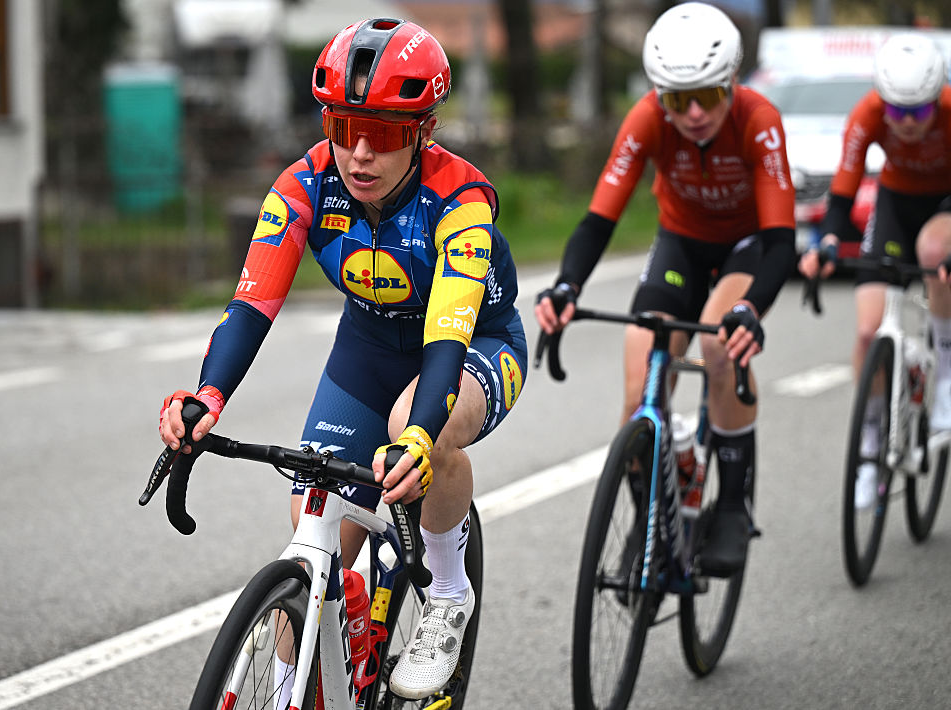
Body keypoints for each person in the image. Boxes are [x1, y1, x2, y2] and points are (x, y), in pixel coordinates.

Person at [158, 18, 527, 702]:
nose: (359, 153)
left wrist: (417, 433)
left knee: (417, 427)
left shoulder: (460, 202)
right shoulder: (304, 185)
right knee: (314, 543)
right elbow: (249, 307)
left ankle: (447, 590)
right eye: (341, 126)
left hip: (475, 346)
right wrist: (207, 396)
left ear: (424, 130)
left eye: (383, 133)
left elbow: (448, 336)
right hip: (366, 353)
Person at [534, 1, 796, 576]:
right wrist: (566, 285)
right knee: (638, 394)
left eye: (708, 96)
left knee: (718, 347)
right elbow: (599, 219)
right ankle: (651, 524)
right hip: (680, 245)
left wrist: (753, 307)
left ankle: (731, 505)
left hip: (747, 247)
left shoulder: (759, 120)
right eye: (679, 100)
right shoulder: (646, 118)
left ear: (731, 83)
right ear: (660, 96)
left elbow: (781, 241)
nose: (695, 113)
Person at [799, 32, 951, 510]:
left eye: (920, 112)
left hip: (944, 205)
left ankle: (946, 378)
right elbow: (843, 192)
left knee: (932, 252)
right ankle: (870, 439)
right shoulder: (866, 114)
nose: (907, 123)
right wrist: (826, 242)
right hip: (894, 204)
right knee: (868, 332)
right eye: (897, 111)